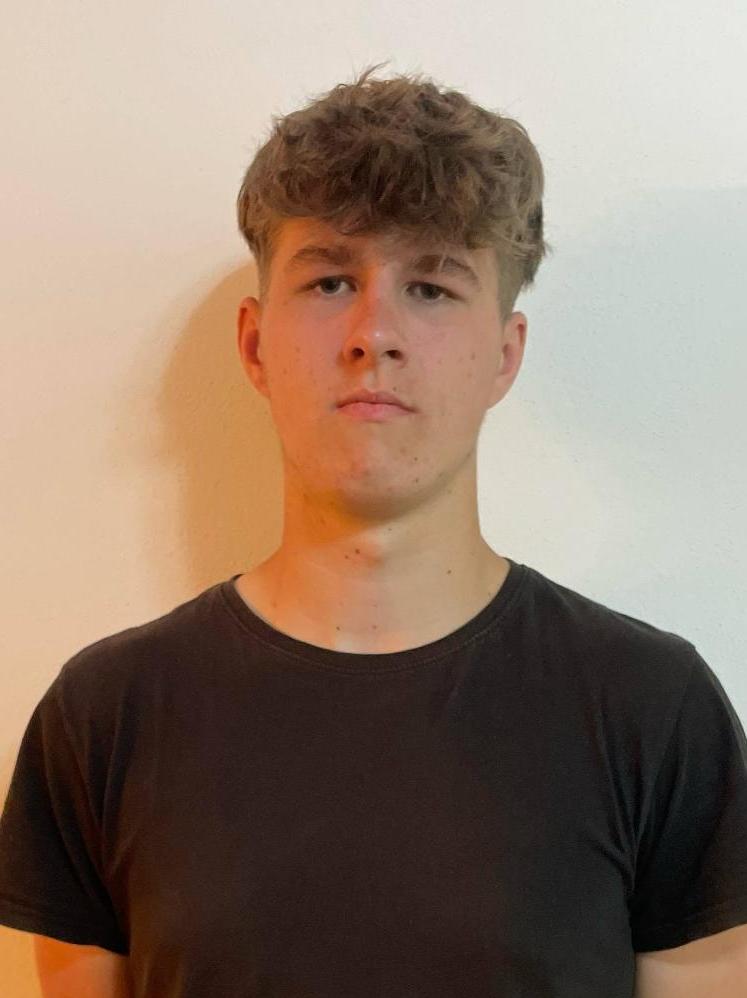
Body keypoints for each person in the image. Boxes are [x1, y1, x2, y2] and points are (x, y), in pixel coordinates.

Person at [1, 62, 746, 998]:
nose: (372, 333)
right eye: (328, 281)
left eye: (430, 287)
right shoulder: (105, 717)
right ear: (254, 344)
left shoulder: (654, 711)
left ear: (504, 354)